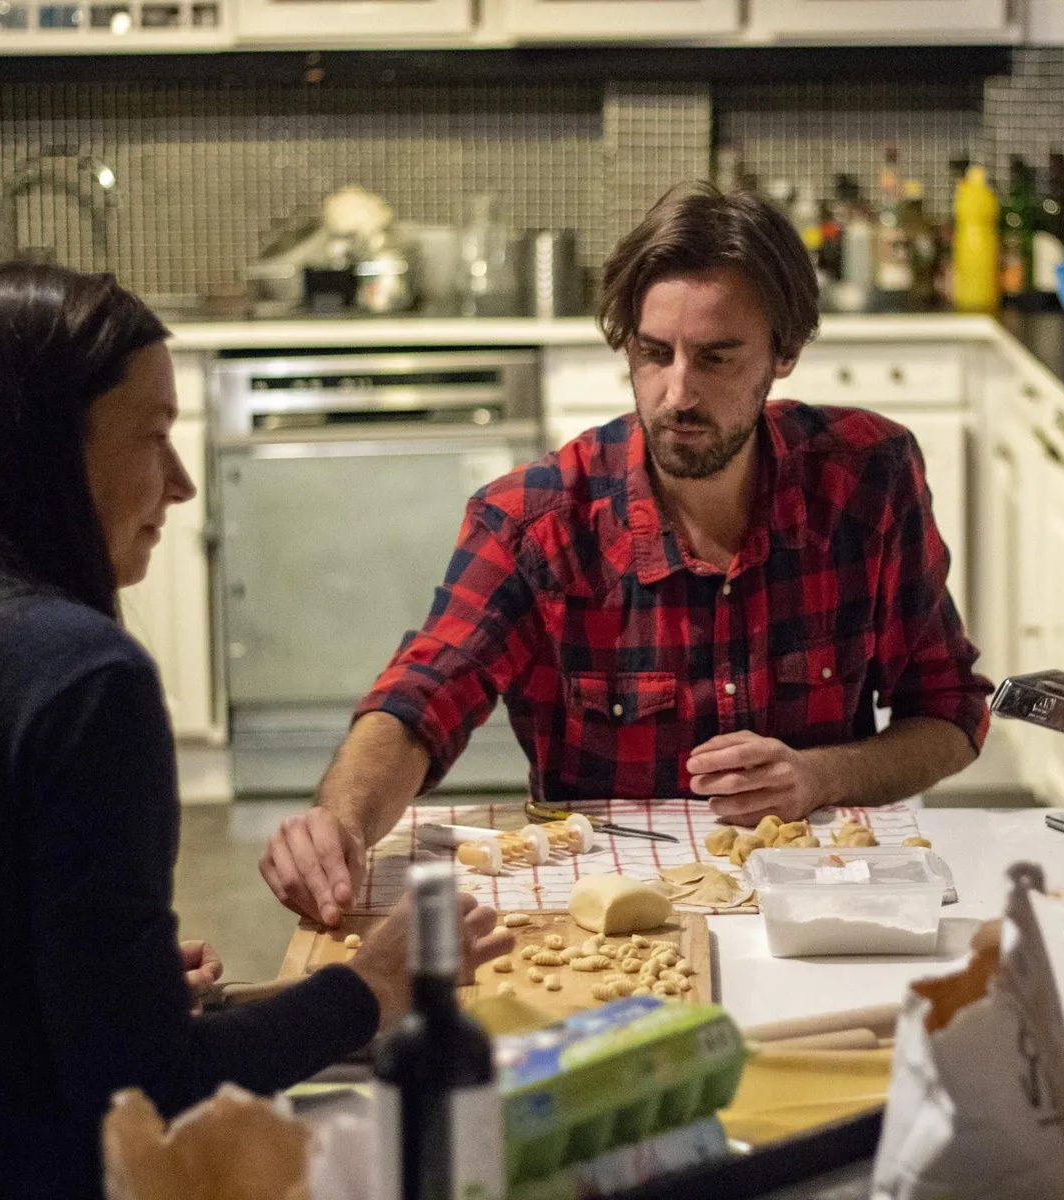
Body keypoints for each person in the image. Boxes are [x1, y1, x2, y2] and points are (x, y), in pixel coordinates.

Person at [0, 263, 512, 1200]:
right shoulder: (83, 684)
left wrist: (98, 984)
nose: (182, 484)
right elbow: (150, 1088)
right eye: (154, 436)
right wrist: (373, 985)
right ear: (46, 452)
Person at [261, 183, 993, 927]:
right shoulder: (533, 521)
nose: (678, 393)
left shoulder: (868, 478)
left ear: (785, 352)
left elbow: (952, 712)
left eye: (716, 357)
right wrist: (342, 824)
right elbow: (421, 700)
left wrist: (821, 775)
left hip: (821, 905)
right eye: (654, 354)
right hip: (608, 916)